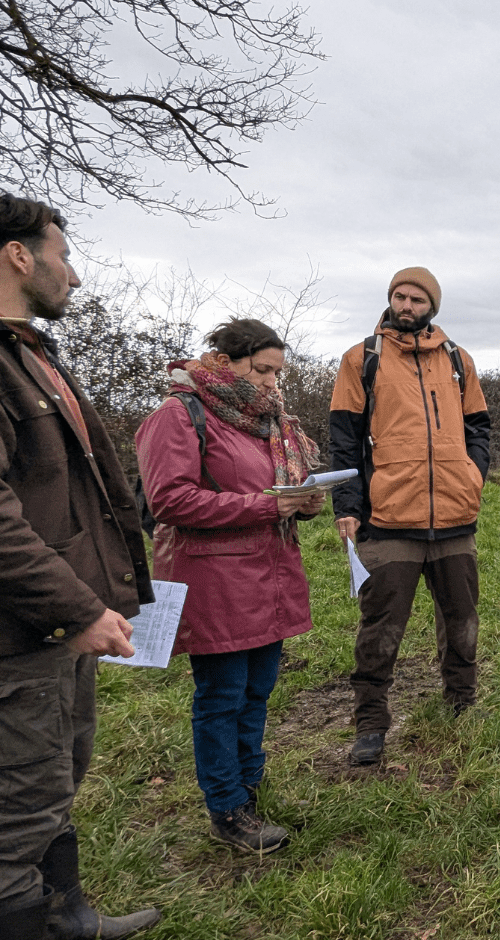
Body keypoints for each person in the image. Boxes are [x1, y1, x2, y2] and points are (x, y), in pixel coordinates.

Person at [0, 193, 159, 938]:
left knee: (55, 781)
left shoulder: (30, 354)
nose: (75, 275)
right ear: (19, 254)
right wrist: (79, 607)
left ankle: (70, 918)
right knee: (18, 810)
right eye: (63, 254)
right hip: (20, 638)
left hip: (54, 634)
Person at [135, 319, 323, 854]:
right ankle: (226, 808)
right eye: (263, 370)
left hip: (271, 575)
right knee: (221, 696)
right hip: (214, 579)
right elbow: (169, 501)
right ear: (227, 360)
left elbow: (273, 487)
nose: (272, 383)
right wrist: (269, 504)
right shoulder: (178, 415)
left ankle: (250, 786)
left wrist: (302, 502)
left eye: (278, 372)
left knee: (258, 690)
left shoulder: (267, 422)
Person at [328, 268, 490, 765]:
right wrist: (348, 508)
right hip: (389, 518)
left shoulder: (458, 360)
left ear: (432, 306)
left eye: (417, 298)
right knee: (380, 629)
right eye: (399, 295)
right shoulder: (362, 359)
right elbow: (344, 440)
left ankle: (462, 704)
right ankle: (371, 723)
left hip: (454, 517)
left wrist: (472, 474)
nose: (406, 304)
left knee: (462, 621)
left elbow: (479, 426)